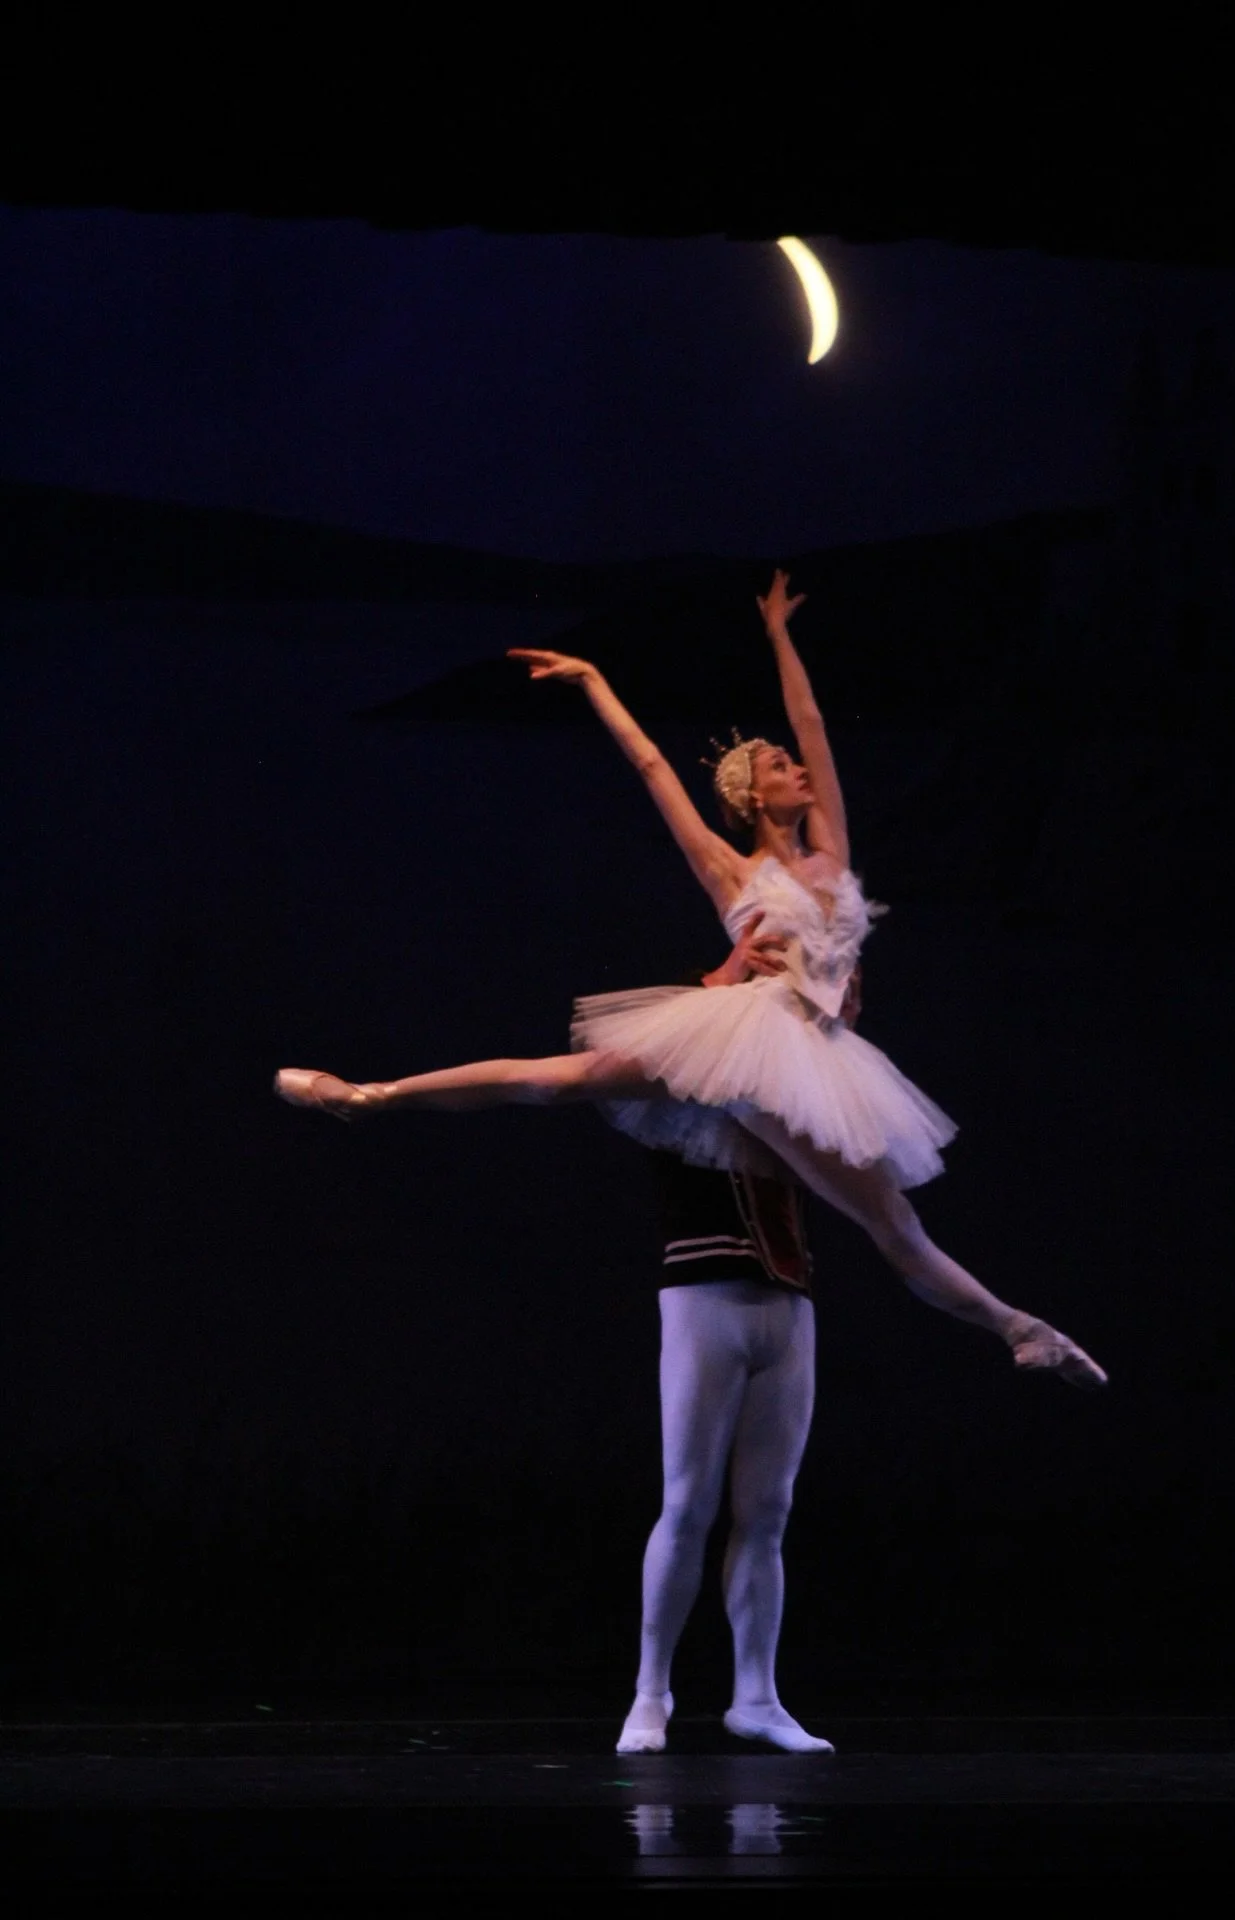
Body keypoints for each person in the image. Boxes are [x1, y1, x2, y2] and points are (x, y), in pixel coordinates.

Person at [276, 570, 1105, 1389]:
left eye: (794, 761)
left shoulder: (832, 855)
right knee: (555, 1080)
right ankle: (366, 1097)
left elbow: (811, 722)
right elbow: (649, 768)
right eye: (781, 765)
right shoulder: (729, 871)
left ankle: (1022, 1331)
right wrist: (595, 681)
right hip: (748, 1031)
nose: (800, 769)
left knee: (892, 1223)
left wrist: (779, 636)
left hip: (822, 1058)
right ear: (751, 794)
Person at [619, 915, 836, 1757]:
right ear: (743, 940)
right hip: (704, 1288)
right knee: (688, 1501)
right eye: (772, 944)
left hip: (787, 1298)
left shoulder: (793, 1053)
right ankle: (650, 1692)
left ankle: (757, 1696)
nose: (785, 963)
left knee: (768, 1508)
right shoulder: (686, 1030)